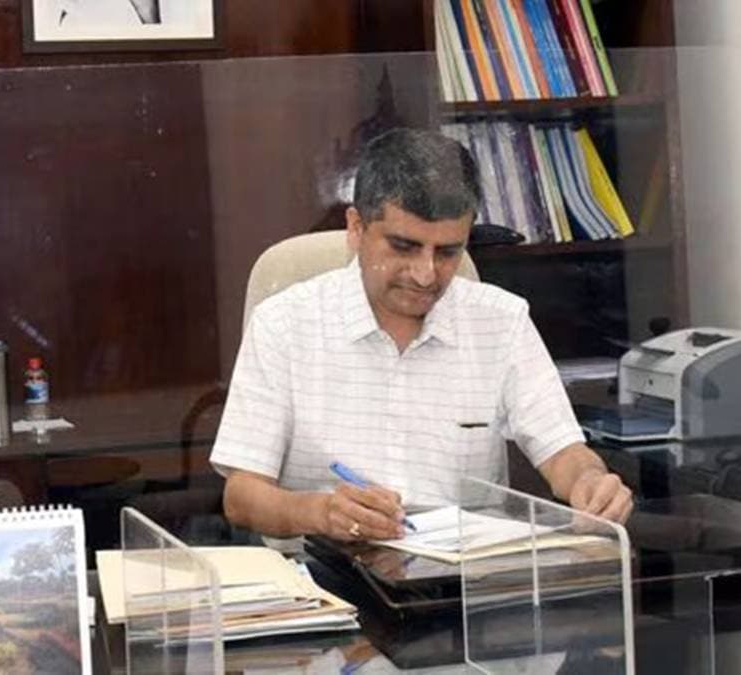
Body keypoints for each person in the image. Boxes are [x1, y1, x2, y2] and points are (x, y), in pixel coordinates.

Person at [210, 128, 633, 542]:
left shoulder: (502, 321)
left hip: (466, 574)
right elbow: (242, 496)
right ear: (356, 228)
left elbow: (563, 453)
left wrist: (590, 482)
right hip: (325, 570)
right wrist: (321, 512)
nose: (426, 274)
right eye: (404, 246)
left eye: (448, 252)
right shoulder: (283, 323)